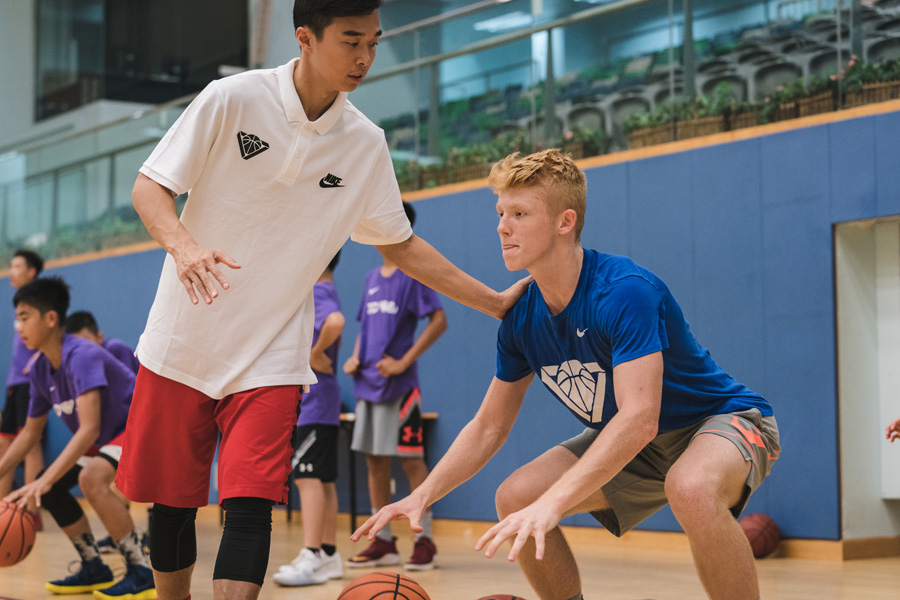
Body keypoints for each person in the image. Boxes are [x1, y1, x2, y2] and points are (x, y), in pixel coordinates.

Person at [114, 1, 527, 599]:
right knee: (173, 506)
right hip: (182, 340)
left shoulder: (365, 143)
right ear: (305, 37)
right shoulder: (232, 98)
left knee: (250, 505)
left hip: (273, 353)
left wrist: (493, 302)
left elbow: (400, 244)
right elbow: (150, 185)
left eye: (374, 43)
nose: (365, 57)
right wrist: (183, 247)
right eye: (351, 41)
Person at [354, 149, 781, 600]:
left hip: (720, 422)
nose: (502, 227)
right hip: (641, 445)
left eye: (520, 214)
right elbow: (489, 426)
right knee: (516, 497)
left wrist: (553, 503)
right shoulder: (521, 319)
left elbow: (639, 418)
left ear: (565, 222)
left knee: (690, 488)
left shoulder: (623, 291)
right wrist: (423, 494)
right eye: (500, 213)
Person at [1, 277, 154, 599]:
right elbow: (30, 433)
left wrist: (43, 481)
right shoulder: (39, 368)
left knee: (90, 478)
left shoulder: (82, 355)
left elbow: (89, 429)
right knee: (51, 486)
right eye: (17, 319)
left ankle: (142, 572)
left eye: (24, 317)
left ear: (50, 318)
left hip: (141, 424)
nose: (18, 326)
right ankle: (93, 567)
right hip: (109, 436)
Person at [344, 202, 446, 572]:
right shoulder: (371, 278)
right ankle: (383, 541)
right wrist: (356, 356)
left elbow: (439, 321)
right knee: (374, 460)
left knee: (411, 460)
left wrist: (403, 362)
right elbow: (364, 328)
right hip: (367, 386)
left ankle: (425, 539)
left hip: (401, 389)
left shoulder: (412, 275)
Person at [273, 251, 346, 587]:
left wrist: (314, 355)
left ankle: (312, 553)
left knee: (307, 477)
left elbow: (336, 322)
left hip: (315, 403)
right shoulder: (328, 289)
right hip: (324, 402)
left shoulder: (316, 290)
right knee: (322, 479)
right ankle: (328, 554)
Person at [1, 249, 46, 526]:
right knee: (4, 444)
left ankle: (32, 511)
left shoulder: (39, 300)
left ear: (31, 271)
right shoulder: (21, 301)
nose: (11, 271)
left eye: (17, 266)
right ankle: (4, 507)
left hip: (30, 383)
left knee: (30, 445)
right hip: (14, 384)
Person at [65, 311, 141, 374]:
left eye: (85, 343)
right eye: (75, 346)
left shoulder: (116, 348)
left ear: (99, 337)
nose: (80, 350)